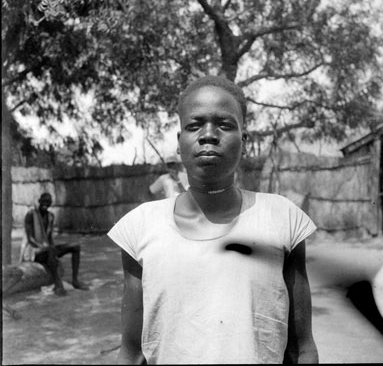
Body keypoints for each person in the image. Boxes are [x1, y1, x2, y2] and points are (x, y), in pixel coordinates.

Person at [108, 76, 319, 364]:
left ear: (244, 140)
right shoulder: (140, 228)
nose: (208, 135)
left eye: (225, 124)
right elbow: (132, 353)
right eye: (194, 126)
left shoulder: (281, 218)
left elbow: (302, 349)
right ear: (179, 140)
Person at [19, 192, 89, 296]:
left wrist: (50, 247)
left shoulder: (50, 216)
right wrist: (43, 247)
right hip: (34, 252)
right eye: (44, 202)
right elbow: (30, 239)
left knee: (75, 247)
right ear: (39, 201)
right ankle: (58, 285)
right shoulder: (31, 215)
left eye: (48, 203)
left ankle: (75, 281)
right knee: (50, 250)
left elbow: (49, 238)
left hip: (47, 250)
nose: (45, 204)